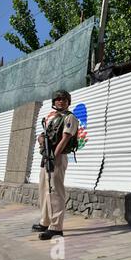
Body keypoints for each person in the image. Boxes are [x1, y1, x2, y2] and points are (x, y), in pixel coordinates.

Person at [31, 90, 79, 240]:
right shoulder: (51, 117)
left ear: (68, 102)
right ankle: (45, 221)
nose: (61, 101)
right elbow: (43, 135)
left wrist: (53, 156)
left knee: (55, 192)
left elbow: (65, 138)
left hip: (57, 157)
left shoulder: (69, 117)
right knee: (44, 190)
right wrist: (41, 140)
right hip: (47, 157)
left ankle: (56, 227)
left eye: (64, 99)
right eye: (58, 99)